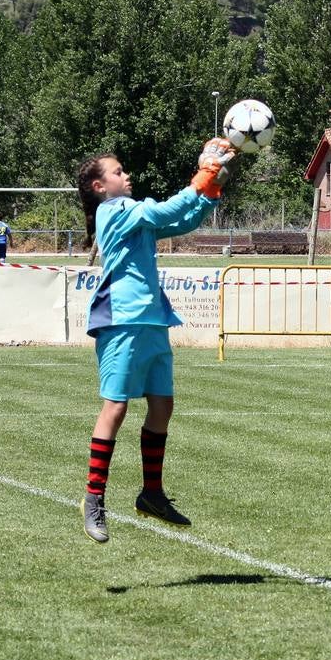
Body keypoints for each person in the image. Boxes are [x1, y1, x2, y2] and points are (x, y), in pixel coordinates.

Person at [75, 138, 235, 542]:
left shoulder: (132, 215)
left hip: (151, 320)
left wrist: (210, 189)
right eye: (117, 171)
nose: (125, 175)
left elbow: (181, 222)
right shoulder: (114, 211)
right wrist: (205, 172)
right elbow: (165, 209)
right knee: (115, 408)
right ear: (99, 187)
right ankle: (93, 498)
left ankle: (151, 494)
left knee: (163, 406)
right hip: (122, 321)